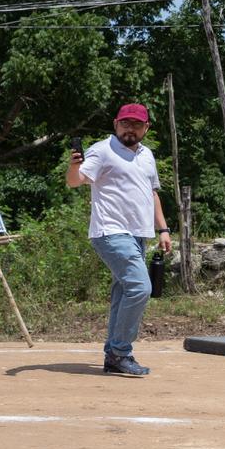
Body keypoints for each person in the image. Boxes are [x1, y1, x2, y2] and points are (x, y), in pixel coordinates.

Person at [66, 103, 172, 376]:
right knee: (139, 288)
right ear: (116, 124)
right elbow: (76, 181)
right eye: (125, 123)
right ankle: (119, 351)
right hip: (110, 231)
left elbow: (152, 194)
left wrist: (163, 229)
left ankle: (113, 356)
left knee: (123, 292)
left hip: (139, 234)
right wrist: (73, 166)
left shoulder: (147, 155)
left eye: (136, 124)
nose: (130, 128)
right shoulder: (102, 150)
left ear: (146, 128)